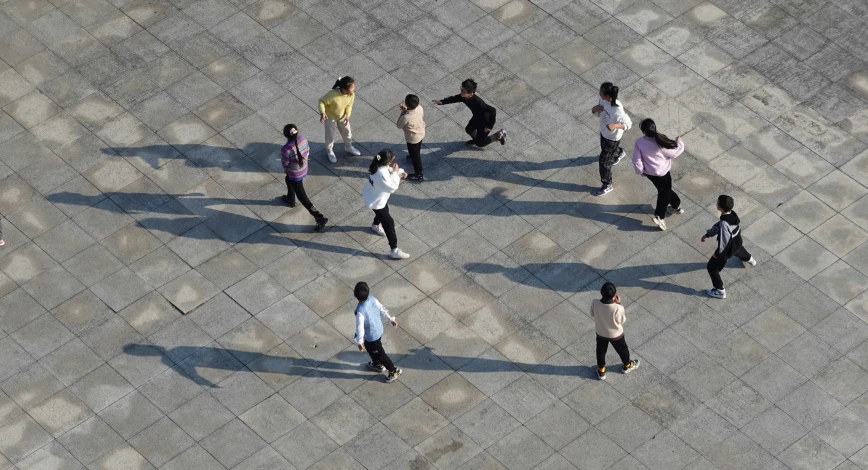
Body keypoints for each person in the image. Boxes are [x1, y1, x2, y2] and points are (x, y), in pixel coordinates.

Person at [632, 118, 685, 231]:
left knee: (665, 190)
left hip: (650, 173)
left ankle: (676, 205)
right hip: (663, 173)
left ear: (643, 131)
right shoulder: (660, 141)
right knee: (664, 192)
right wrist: (679, 142)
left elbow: (637, 160)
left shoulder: (639, 142)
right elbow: (675, 153)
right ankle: (660, 216)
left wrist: (640, 171)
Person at [702, 195, 757, 299]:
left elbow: (724, 241)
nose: (716, 203)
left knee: (712, 267)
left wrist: (717, 255)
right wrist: (708, 234)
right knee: (739, 251)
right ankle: (751, 260)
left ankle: (720, 291)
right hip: (737, 241)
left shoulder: (724, 223)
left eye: (717, 202)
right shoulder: (732, 215)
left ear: (720, 207)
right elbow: (718, 226)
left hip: (727, 249)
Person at [363, 149, 410, 259]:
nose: (393, 160)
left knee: (384, 212)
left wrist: (398, 172)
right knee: (389, 223)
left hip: (373, 196)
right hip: (376, 201)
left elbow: (388, 171)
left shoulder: (378, 166)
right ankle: (394, 250)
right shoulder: (381, 174)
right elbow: (392, 187)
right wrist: (395, 173)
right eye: (392, 159)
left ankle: (375, 225)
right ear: (387, 161)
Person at [281, 124, 328, 232]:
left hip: (294, 174)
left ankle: (319, 216)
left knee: (303, 197)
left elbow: (285, 162)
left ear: (286, 135)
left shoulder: (286, 148)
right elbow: (307, 150)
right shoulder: (303, 139)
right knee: (288, 179)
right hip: (303, 169)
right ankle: (290, 199)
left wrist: (285, 168)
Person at [432, 78, 505, 148]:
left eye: (464, 91)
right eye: (461, 89)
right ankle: (477, 140)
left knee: (481, 144)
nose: (461, 92)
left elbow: (493, 110)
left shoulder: (479, 103)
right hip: (476, 117)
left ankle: (498, 135)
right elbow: (454, 98)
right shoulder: (464, 97)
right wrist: (442, 102)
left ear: (470, 94)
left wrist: (489, 126)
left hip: (485, 122)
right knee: (469, 129)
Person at [353, 281, 402, 383]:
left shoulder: (360, 311)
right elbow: (382, 309)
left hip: (372, 336)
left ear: (355, 295)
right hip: (378, 330)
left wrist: (359, 342)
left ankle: (393, 371)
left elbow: (360, 328)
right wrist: (390, 319)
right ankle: (377, 364)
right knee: (371, 348)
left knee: (380, 354)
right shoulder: (372, 299)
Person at [591, 282, 639, 380]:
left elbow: (592, 313)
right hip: (616, 335)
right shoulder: (618, 308)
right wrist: (618, 304)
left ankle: (601, 370)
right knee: (622, 350)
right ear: (615, 295)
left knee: (600, 351)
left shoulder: (595, 302)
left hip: (601, 333)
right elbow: (622, 320)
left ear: (601, 292)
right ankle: (627, 366)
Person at [591, 82, 632, 196]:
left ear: (608, 96)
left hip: (612, 138)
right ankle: (619, 152)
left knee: (604, 162)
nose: (600, 94)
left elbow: (628, 124)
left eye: (602, 93)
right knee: (607, 151)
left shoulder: (618, 109)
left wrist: (615, 126)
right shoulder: (602, 100)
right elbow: (598, 113)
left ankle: (607, 184)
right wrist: (594, 109)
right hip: (604, 133)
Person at [319, 76, 362, 163]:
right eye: (352, 87)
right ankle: (329, 151)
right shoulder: (332, 95)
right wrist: (322, 112)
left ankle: (348, 147)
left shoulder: (351, 94)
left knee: (347, 132)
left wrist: (347, 115)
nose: (354, 88)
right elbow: (321, 101)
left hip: (343, 116)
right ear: (344, 89)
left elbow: (349, 105)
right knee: (330, 135)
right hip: (330, 117)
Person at [397, 94, 426, 182]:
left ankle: (419, 174)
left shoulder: (406, 117)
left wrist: (403, 111)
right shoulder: (420, 108)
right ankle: (412, 157)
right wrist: (406, 109)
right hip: (421, 133)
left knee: (416, 156)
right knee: (417, 148)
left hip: (412, 138)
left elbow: (399, 125)